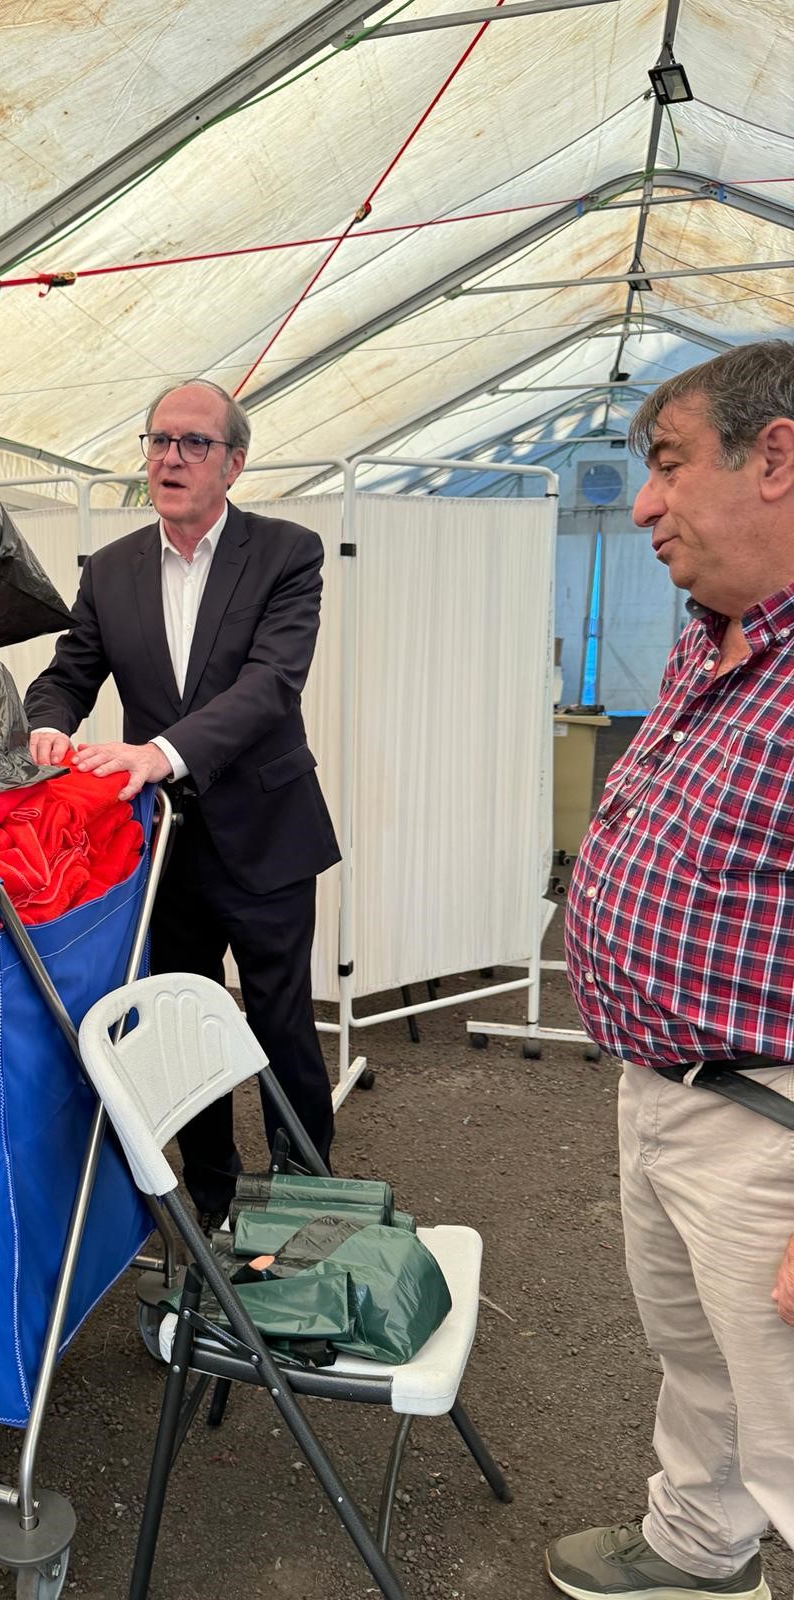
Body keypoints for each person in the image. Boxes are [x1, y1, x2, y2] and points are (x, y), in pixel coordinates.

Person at [550, 340, 794, 1600]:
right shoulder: (721, 632)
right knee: (699, 1360)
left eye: (667, 466)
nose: (641, 503)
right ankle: (699, 1555)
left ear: (776, 458)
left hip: (772, 1126)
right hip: (672, 1089)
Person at [26, 379, 339, 1227]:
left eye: (194, 443)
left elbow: (271, 686)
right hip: (164, 846)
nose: (171, 457)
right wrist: (47, 726)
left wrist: (157, 754)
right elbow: (69, 672)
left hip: (268, 832)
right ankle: (214, 1197)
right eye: (159, 440)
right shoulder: (115, 566)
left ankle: (308, 1198)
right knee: (184, 1025)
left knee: (280, 1023)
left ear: (234, 463)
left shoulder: (287, 552)